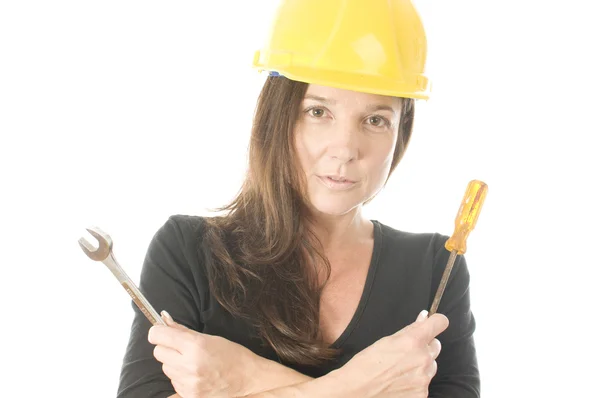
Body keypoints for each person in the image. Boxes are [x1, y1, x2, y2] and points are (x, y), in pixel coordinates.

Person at [116, 0, 480, 397]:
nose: (345, 149)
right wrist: (360, 387)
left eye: (375, 120)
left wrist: (246, 379)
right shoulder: (190, 252)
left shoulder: (434, 270)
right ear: (278, 116)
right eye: (318, 112)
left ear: (401, 132)